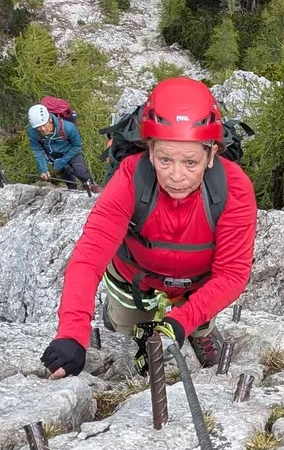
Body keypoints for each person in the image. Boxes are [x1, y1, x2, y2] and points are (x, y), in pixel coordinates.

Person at [40, 77, 255, 377]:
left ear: (211, 155)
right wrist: (72, 333)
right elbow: (89, 256)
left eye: (190, 162)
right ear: (149, 150)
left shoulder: (233, 189)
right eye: (165, 159)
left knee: (197, 318)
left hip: (196, 283)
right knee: (126, 324)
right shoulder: (131, 178)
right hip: (136, 275)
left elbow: (231, 273)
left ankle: (200, 331)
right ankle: (124, 316)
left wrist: (180, 322)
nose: (176, 176)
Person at [27, 103, 94, 190]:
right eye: (38, 127)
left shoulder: (68, 127)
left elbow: (77, 146)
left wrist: (63, 161)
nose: (42, 129)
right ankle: (72, 189)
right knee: (65, 176)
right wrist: (44, 170)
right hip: (54, 155)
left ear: (50, 119)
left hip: (72, 151)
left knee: (80, 171)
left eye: (44, 125)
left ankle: (92, 187)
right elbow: (37, 150)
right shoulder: (32, 132)